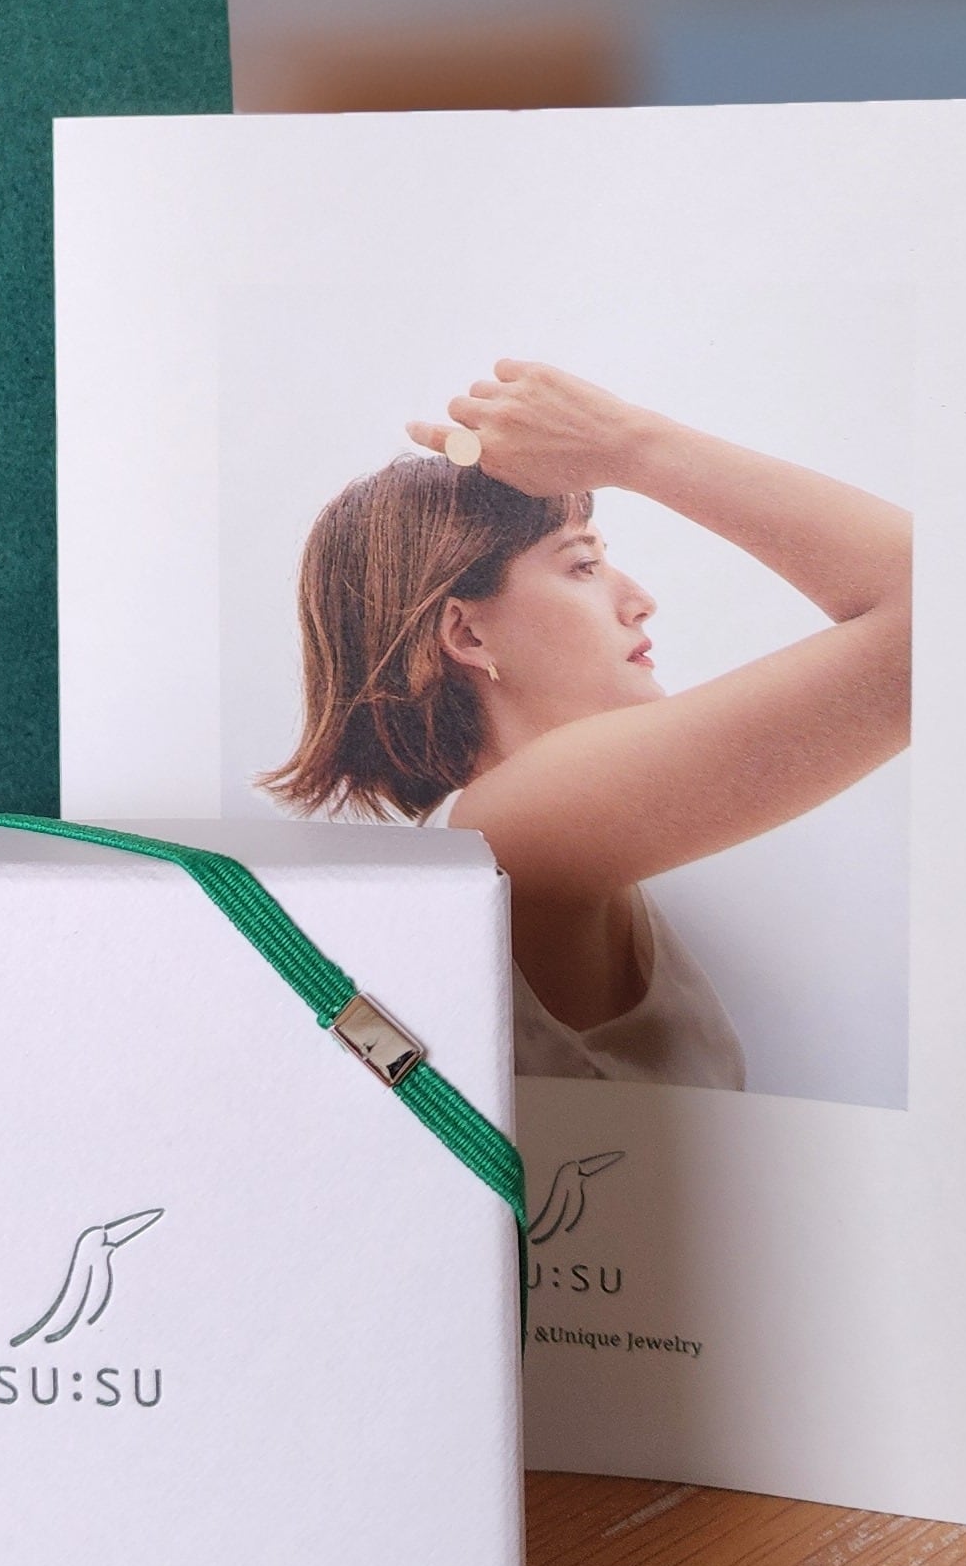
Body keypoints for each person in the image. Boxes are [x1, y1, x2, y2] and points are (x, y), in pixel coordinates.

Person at [263, 360, 912, 1087]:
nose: (639, 600)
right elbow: (938, 621)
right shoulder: (508, 837)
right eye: (583, 565)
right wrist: (626, 444)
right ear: (468, 635)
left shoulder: (554, 848)